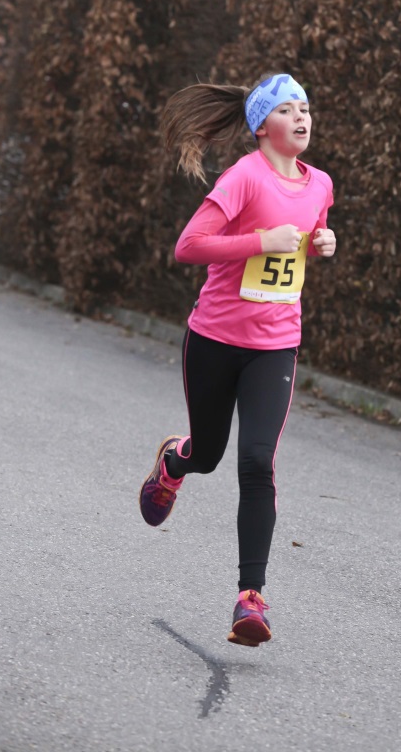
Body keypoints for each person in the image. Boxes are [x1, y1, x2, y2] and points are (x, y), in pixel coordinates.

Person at [139, 73, 336, 647]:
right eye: (288, 109)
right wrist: (259, 241)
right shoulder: (243, 177)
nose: (302, 117)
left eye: (305, 107)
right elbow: (189, 246)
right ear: (262, 126)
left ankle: (252, 598)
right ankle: (175, 462)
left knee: (256, 462)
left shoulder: (321, 183)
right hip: (214, 339)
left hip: (275, 345)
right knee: (209, 454)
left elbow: (306, 237)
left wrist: (322, 242)